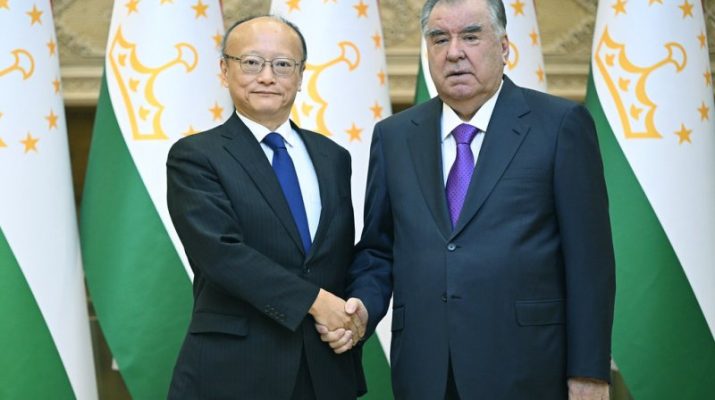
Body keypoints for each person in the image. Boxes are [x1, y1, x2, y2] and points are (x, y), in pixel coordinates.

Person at [324, 0, 616, 399]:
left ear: (504, 47)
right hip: (425, 372)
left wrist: (589, 370)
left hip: (529, 367)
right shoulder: (394, 136)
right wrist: (362, 306)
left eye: (471, 36)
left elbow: (589, 261)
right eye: (439, 39)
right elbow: (380, 249)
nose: (454, 52)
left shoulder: (559, 125)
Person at [166, 15, 365, 400]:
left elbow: (338, 256)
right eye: (252, 62)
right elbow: (221, 255)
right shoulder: (196, 156)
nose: (268, 77)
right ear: (224, 71)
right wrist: (316, 302)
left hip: (325, 369)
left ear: (301, 75)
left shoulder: (333, 157)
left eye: (283, 64)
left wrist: (354, 314)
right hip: (235, 371)